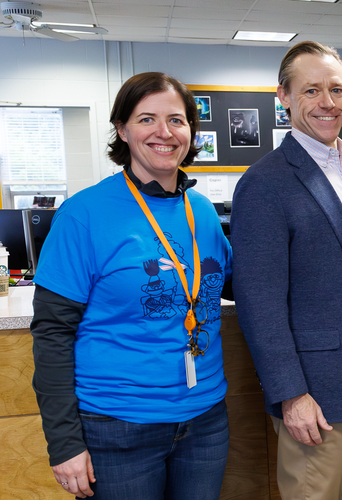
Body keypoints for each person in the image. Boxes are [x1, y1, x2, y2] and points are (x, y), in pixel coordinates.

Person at [31, 72, 232, 499]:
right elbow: (51, 335)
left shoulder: (203, 210)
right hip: (118, 427)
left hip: (205, 419)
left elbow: (224, 284)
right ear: (122, 129)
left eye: (176, 120)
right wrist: (64, 443)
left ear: (191, 131)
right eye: (147, 119)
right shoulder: (83, 214)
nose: (164, 132)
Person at [231, 41, 342, 499]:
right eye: (311, 90)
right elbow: (259, 303)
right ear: (284, 96)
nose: (327, 103)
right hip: (313, 397)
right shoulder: (265, 183)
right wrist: (291, 394)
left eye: (336, 90)